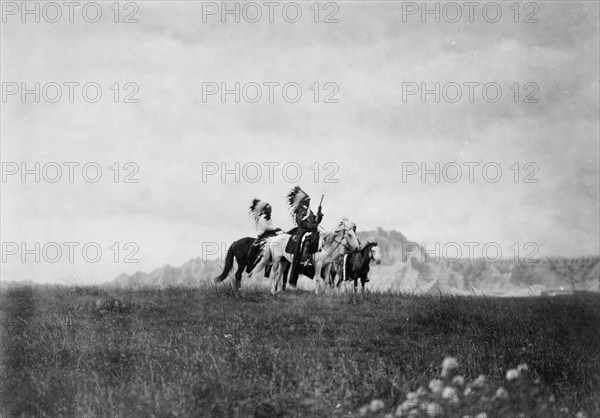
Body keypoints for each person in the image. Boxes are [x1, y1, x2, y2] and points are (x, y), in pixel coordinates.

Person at [286, 186, 324, 287]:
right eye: (308, 201)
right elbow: (301, 222)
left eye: (309, 201)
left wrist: (319, 215)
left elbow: (315, 221)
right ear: (304, 202)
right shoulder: (299, 211)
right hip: (302, 232)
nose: (309, 203)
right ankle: (304, 259)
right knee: (306, 240)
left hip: (311, 231)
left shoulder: (309, 211)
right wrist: (311, 226)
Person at [247, 199, 280, 272]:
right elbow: (265, 228)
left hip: (270, 233)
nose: (270, 210)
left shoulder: (269, 218)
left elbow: (270, 227)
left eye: (271, 209)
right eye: (269, 209)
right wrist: (275, 229)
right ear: (265, 210)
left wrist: (275, 230)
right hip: (264, 234)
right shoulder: (262, 217)